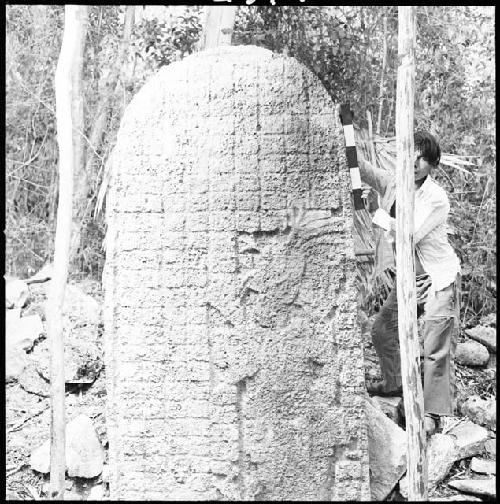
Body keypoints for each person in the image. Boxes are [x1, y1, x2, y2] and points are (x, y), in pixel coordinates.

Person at [359, 131, 461, 436]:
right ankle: (394, 384)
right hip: (408, 278)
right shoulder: (393, 182)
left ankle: (433, 413)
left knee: (434, 346)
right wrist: (345, 133)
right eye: (412, 154)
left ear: (431, 165)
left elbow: (410, 234)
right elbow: (363, 168)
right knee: (382, 330)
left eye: (424, 159)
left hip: (437, 278)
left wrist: (375, 213)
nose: (415, 162)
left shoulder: (436, 197)